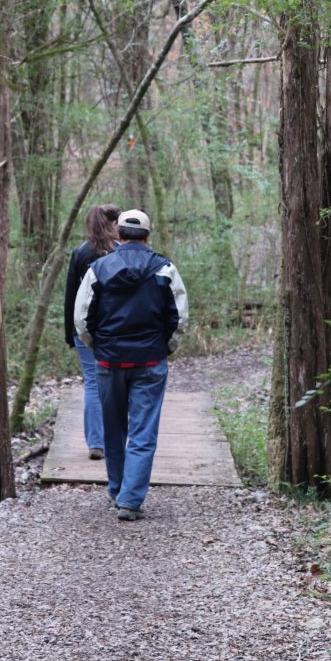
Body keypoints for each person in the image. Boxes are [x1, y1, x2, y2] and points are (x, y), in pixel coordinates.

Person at [74, 209, 188, 521]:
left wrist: (97, 347)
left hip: (110, 361)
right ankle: (130, 500)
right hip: (150, 360)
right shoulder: (164, 269)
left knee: (113, 428)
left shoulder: (98, 268)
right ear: (147, 236)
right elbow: (179, 317)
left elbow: (82, 318)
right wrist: (167, 347)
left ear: (119, 234)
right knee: (142, 432)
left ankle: (118, 489)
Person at [64, 203, 121, 459]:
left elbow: (71, 297)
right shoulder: (120, 254)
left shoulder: (80, 253)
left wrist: (71, 331)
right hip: (115, 330)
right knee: (115, 384)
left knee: (91, 384)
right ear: (114, 224)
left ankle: (96, 443)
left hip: (84, 327)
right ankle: (114, 440)